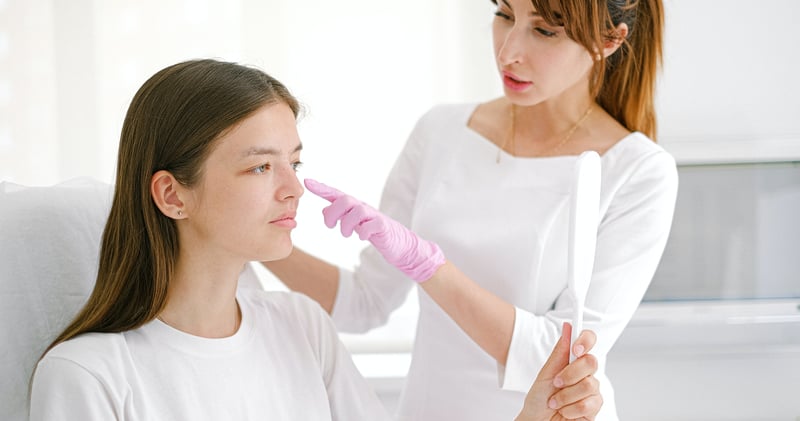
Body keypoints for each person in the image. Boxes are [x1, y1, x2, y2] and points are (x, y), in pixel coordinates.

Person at [29, 59, 602, 421]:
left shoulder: (301, 328)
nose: (294, 189)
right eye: (259, 168)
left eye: (296, 163)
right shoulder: (90, 376)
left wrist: (536, 417)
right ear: (172, 195)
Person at [263, 0, 677, 420]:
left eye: (545, 30)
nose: (508, 51)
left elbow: (560, 356)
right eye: (503, 16)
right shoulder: (441, 131)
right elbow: (366, 302)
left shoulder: (637, 171)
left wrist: (429, 267)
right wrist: (252, 239)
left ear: (610, 41)